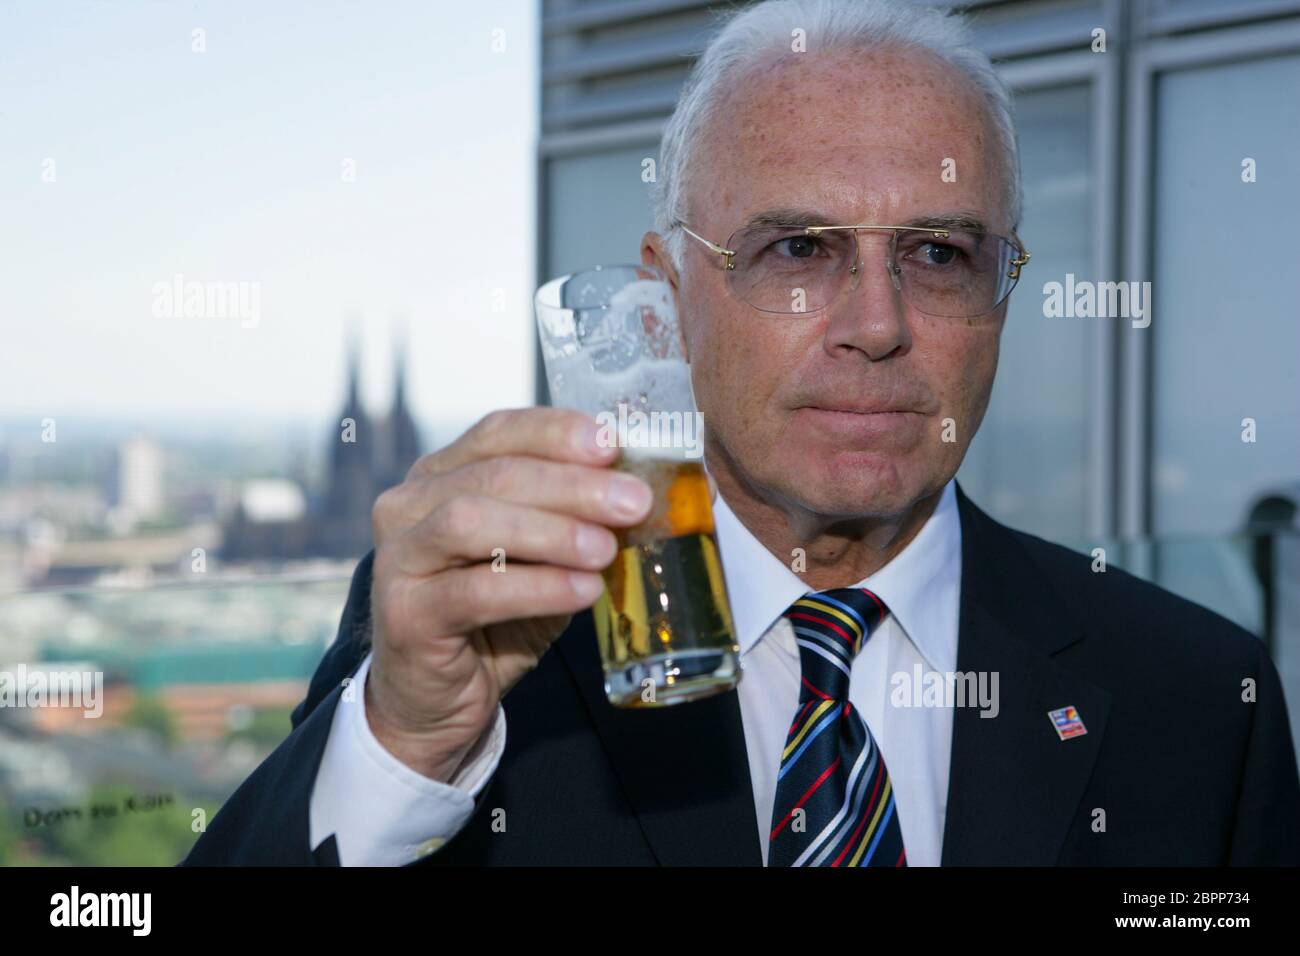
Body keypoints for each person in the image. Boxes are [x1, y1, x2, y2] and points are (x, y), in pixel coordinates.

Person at [182, 0, 1300, 866]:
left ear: (1002, 296)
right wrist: (398, 752)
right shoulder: (486, 647)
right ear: (664, 300)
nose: (877, 325)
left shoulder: (1200, 699)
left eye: (938, 255)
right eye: (799, 250)